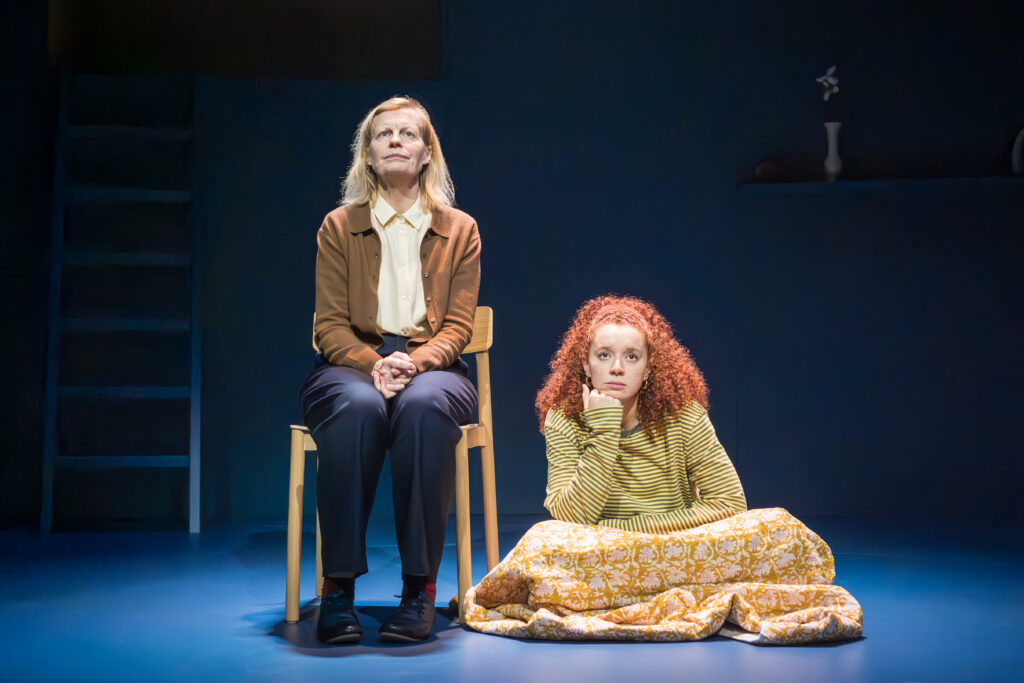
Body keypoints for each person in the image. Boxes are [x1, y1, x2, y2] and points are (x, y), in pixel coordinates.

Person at [299, 96, 481, 644]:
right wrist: (375, 364)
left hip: (435, 369)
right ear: (368, 155)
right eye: (384, 135)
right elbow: (330, 327)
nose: (396, 140)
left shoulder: (461, 229)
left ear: (427, 153)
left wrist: (413, 362)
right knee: (355, 407)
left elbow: (458, 327)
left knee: (424, 407)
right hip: (350, 365)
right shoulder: (339, 226)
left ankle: (419, 588)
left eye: (408, 133)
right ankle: (338, 588)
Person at [535, 294, 746, 533]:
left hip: (674, 546)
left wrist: (619, 529)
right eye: (604, 355)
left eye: (631, 357)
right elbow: (571, 518)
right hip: (601, 551)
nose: (617, 368)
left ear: (647, 369)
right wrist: (603, 429)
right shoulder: (564, 419)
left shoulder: (684, 416)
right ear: (586, 365)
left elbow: (730, 503)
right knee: (542, 537)